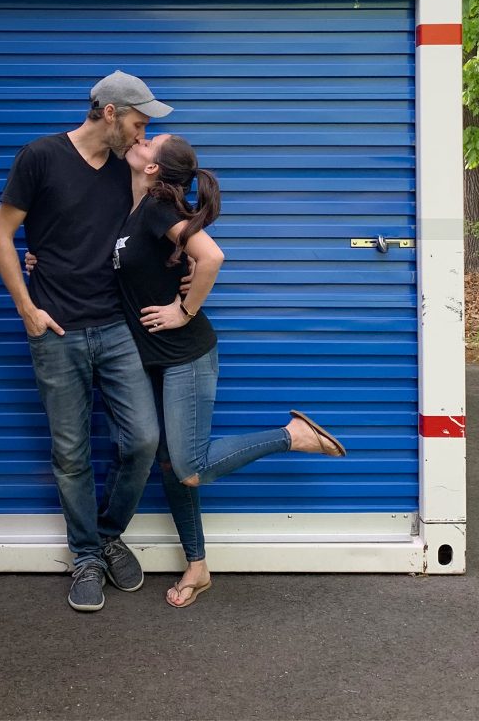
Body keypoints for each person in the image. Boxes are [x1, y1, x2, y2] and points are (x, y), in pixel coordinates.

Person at [115, 133, 346, 608]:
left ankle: (292, 434)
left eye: (149, 140)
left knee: (191, 468)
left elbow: (212, 257)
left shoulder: (159, 208)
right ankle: (197, 567)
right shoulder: (135, 210)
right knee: (170, 467)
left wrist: (185, 309)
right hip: (154, 359)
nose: (139, 139)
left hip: (185, 355)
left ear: (155, 169)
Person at [0, 71, 173, 613]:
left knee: (142, 439)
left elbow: (159, 224)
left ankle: (109, 533)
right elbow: (2, 235)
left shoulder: (130, 171)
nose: (143, 136)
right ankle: (87, 555)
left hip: (117, 326)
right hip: (57, 331)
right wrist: (28, 309)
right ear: (110, 112)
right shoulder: (40, 157)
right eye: (139, 123)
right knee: (70, 453)